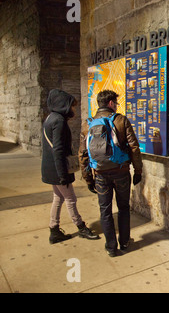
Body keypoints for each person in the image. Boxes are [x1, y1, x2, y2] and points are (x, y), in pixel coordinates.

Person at [79, 90, 143, 257]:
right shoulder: (121, 120)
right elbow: (134, 147)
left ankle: (110, 247)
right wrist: (138, 171)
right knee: (123, 208)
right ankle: (124, 242)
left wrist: (88, 179)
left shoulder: (88, 124)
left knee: (105, 211)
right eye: (116, 102)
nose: (116, 105)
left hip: (100, 174)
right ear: (110, 103)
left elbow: (82, 154)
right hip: (121, 172)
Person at [41, 89, 99, 244]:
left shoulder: (50, 118)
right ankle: (81, 227)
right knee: (70, 198)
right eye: (71, 106)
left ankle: (54, 229)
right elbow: (58, 150)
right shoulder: (59, 121)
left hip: (50, 167)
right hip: (57, 168)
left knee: (58, 197)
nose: (73, 109)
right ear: (63, 105)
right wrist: (62, 175)